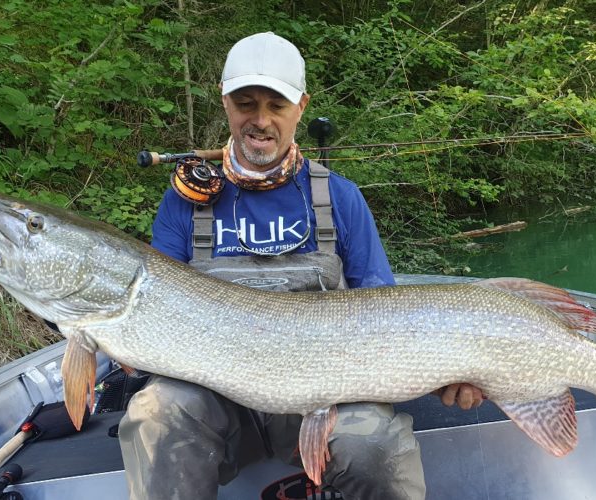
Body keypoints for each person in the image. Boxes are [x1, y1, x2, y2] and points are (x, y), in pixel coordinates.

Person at [118, 32, 483, 500]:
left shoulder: (339, 198)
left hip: (331, 395)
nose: (261, 120)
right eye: (246, 103)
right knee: (155, 415)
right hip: (221, 404)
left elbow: (389, 319)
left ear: (302, 106)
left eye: (277, 105)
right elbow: (155, 308)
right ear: (226, 103)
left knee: (372, 447)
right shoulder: (184, 203)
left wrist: (449, 368)